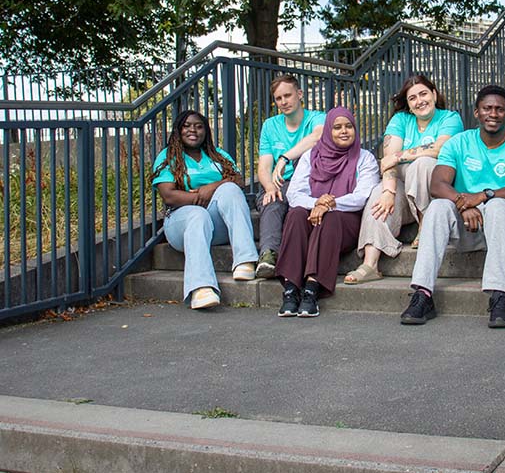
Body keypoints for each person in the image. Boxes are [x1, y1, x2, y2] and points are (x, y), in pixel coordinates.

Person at [400, 85, 505, 328]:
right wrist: (463, 203)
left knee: (498, 205)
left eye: (500, 109)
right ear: (476, 112)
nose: (493, 114)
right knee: (437, 208)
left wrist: (483, 196)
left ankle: (499, 295)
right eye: (487, 108)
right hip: (471, 224)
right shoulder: (458, 143)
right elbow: (437, 184)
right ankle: (422, 293)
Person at [347, 75, 464, 284]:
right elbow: (388, 162)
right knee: (378, 196)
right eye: (412, 98)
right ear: (408, 105)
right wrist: (388, 192)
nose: (419, 101)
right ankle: (370, 263)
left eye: (423, 94)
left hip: (435, 191)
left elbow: (439, 148)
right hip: (403, 186)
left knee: (423, 163)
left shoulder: (450, 118)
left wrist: (400, 156)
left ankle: (425, 226)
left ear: (434, 94)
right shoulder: (400, 120)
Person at [276, 107, 379, 318]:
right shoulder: (310, 156)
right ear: (327, 132)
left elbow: (361, 197)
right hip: (312, 213)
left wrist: (329, 204)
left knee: (329, 218)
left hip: (344, 223)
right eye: (337, 127)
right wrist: (317, 203)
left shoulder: (365, 158)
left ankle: (312, 289)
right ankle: (291, 288)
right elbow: (294, 193)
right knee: (295, 214)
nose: (344, 131)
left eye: (349, 126)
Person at [150, 110, 258, 310]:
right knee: (197, 214)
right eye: (187, 126)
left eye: (199, 126)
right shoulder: (168, 157)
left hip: (216, 225)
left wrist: (211, 188)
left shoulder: (217, 154)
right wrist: (198, 199)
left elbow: (238, 180)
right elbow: (169, 195)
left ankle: (245, 261)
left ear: (206, 131)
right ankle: (201, 288)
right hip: (180, 224)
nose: (193, 130)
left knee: (230, 189)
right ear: (178, 130)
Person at [254, 74, 326, 279]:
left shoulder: (317, 118)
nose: (284, 102)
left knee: (295, 208)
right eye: (278, 98)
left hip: (311, 181)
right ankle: (268, 256)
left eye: (288, 95)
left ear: (300, 94)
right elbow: (264, 166)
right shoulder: (270, 125)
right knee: (273, 201)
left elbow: (317, 137)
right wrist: (269, 187)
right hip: (281, 184)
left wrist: (285, 157)